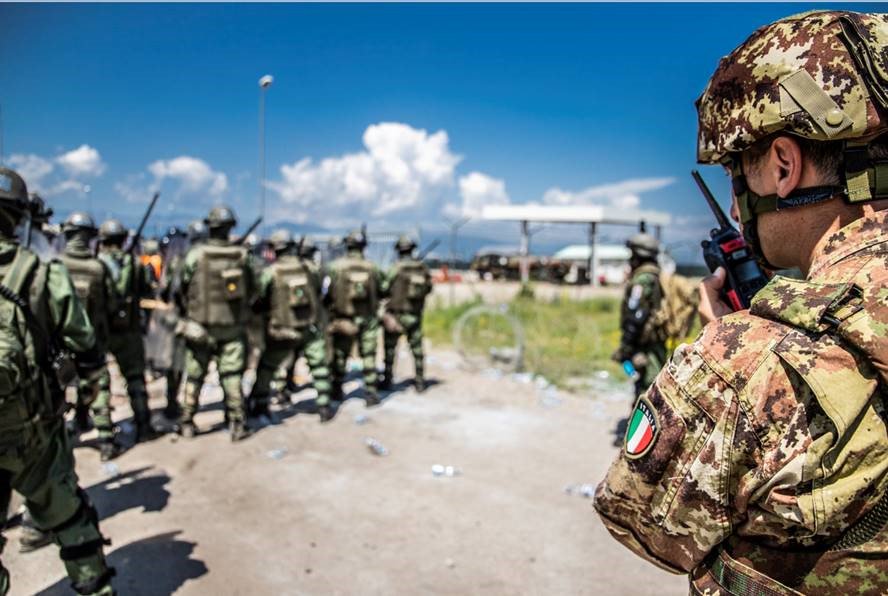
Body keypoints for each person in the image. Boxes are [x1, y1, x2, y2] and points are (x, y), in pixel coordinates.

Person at [594, 10, 888, 595]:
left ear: (783, 165)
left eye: (738, 174)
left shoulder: (747, 360)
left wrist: (727, 341)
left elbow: (639, 519)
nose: (736, 207)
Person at [0, 167, 115, 595]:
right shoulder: (42, 273)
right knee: (69, 518)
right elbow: (84, 342)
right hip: (32, 429)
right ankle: (95, 587)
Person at [174, 206, 255, 441]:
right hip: (232, 327)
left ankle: (187, 422)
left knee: (195, 376)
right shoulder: (242, 256)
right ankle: (237, 423)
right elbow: (252, 288)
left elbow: (180, 288)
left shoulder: (195, 255)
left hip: (199, 327)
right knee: (231, 376)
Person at [249, 230, 333, 422]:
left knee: (268, 368)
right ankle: (324, 406)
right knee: (319, 367)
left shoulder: (271, 272)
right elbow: (320, 290)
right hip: (309, 327)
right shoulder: (310, 268)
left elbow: (260, 298)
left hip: (282, 330)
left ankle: (260, 404)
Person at [59, 212, 122, 461]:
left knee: (57, 391)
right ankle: (106, 440)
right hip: (92, 341)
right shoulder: (99, 268)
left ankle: (62, 442)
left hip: (60, 345)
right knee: (99, 388)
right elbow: (111, 304)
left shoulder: (53, 266)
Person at [98, 218, 158, 442]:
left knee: (101, 383)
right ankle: (143, 425)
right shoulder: (134, 264)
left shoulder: (98, 264)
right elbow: (146, 291)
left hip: (103, 332)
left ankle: (105, 437)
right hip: (129, 331)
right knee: (135, 379)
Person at [325, 230, 382, 406]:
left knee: (341, 355)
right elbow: (383, 289)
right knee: (369, 355)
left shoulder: (335, 267)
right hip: (368, 318)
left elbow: (325, 292)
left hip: (343, 318)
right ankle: (371, 393)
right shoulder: (373, 267)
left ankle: (336, 389)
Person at [610, 233, 666, 399]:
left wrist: (626, 345)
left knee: (647, 386)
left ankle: (644, 423)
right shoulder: (657, 275)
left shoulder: (643, 279)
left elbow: (636, 314)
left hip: (645, 343)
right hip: (654, 340)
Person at [380, 235, 432, 392]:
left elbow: (383, 288)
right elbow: (429, 289)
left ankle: (387, 380)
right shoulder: (422, 268)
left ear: (398, 250)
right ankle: (420, 381)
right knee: (417, 350)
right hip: (415, 315)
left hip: (396, 315)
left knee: (390, 349)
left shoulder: (395, 268)